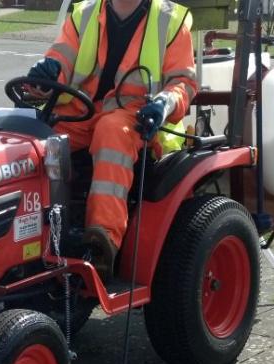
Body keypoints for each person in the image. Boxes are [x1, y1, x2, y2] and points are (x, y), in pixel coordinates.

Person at [28, 0, 197, 279]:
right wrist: (45, 73)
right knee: (35, 140)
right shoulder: (84, 14)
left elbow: (183, 83)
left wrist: (163, 104)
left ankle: (102, 243)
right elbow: (61, 58)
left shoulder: (171, 20)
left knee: (112, 132)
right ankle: (33, 235)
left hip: (135, 115)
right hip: (81, 112)